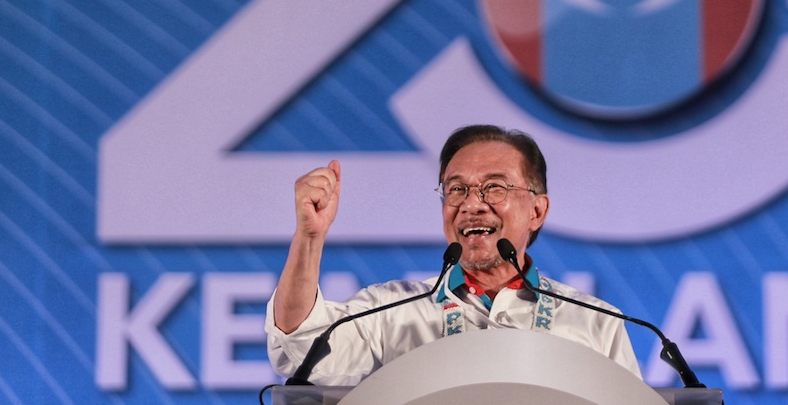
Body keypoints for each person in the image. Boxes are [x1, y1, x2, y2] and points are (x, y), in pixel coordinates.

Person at [265, 124, 640, 385]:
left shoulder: (596, 322)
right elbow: (302, 348)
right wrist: (309, 237)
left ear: (537, 211)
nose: (471, 205)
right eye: (456, 189)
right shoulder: (395, 310)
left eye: (494, 187)